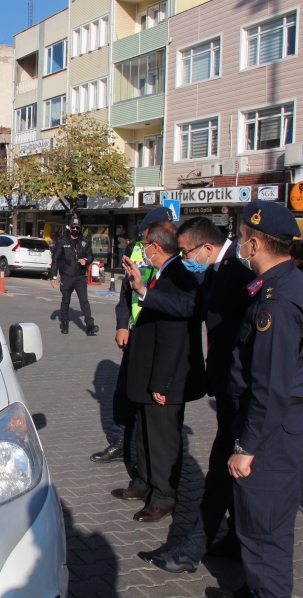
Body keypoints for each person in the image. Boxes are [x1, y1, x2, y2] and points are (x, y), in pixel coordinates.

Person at [205, 202, 303, 598]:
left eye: (241, 237)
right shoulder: (297, 285)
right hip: (287, 426)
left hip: (271, 432)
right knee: (270, 525)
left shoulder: (276, 301)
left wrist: (247, 447)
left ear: (255, 244)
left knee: (263, 533)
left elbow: (270, 386)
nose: (238, 244)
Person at [129, 217, 256, 572]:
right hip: (226, 384)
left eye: (186, 252)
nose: (184, 257)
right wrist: (143, 291)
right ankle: (233, 537)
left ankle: (200, 547)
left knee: (223, 471)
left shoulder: (238, 272)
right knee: (224, 471)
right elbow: (191, 307)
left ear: (207, 247)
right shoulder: (214, 270)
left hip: (240, 386)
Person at [111, 220, 205, 523]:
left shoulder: (179, 275)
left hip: (166, 376)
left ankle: (163, 496)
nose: (142, 250)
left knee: (162, 439)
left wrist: (161, 383)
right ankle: (144, 483)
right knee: (144, 431)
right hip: (147, 369)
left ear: (155, 246)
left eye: (144, 244)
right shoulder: (162, 272)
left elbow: (173, 337)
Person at [91, 207, 172, 465]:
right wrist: (122, 324)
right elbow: (126, 292)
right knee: (124, 391)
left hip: (161, 334)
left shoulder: (177, 254)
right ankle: (120, 440)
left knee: (154, 395)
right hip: (136, 331)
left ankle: (149, 452)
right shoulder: (137, 250)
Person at [50, 217, 99, 336]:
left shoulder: (84, 241)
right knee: (66, 300)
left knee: (84, 301)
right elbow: (55, 259)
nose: (75, 230)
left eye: (77, 228)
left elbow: (90, 256)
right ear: (69, 227)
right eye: (73, 227)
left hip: (80, 276)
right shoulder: (62, 241)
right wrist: (53, 276)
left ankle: (90, 325)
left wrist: (85, 260)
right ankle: (64, 323)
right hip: (66, 276)